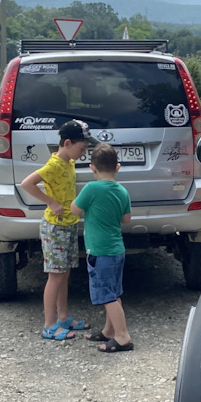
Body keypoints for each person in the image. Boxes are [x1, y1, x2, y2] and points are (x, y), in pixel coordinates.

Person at [20, 119, 93, 341]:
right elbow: (27, 183)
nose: (83, 153)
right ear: (68, 143)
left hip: (68, 225)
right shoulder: (53, 166)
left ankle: (63, 317)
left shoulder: (69, 162)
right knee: (55, 276)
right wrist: (50, 202)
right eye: (82, 149)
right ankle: (49, 325)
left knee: (65, 273)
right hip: (55, 228)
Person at [68, 143, 133, 354]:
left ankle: (122, 337)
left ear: (92, 167)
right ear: (118, 167)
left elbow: (75, 209)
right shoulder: (122, 190)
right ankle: (108, 330)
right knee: (114, 292)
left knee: (107, 296)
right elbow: (126, 219)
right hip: (117, 250)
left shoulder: (91, 189)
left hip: (100, 251)